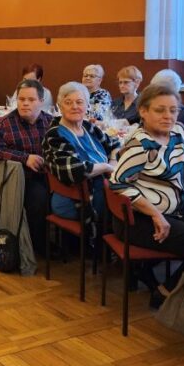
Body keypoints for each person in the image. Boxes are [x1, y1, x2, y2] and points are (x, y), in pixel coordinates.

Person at [109, 83, 184, 307]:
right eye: (160, 110)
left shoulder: (179, 131)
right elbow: (117, 184)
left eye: (173, 110)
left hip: (171, 215)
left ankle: (171, 289)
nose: (168, 116)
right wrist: (155, 214)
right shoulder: (141, 144)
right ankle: (171, 292)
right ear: (143, 111)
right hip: (138, 221)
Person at [39, 82, 118, 256]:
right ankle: (114, 251)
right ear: (59, 106)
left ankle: (122, 254)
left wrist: (112, 160)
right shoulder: (54, 135)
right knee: (125, 208)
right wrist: (106, 167)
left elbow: (115, 144)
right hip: (73, 200)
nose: (75, 106)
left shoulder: (88, 128)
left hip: (101, 192)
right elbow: (74, 171)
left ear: (87, 105)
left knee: (129, 202)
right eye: (68, 102)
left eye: (80, 102)